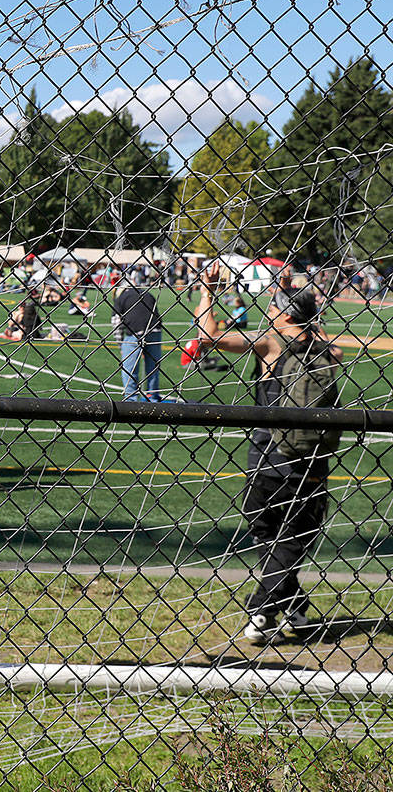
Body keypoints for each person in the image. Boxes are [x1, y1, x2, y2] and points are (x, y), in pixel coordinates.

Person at [194, 264, 342, 644]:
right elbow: (322, 337)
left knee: (271, 534)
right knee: (291, 537)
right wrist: (302, 307)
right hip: (310, 461)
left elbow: (207, 335)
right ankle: (295, 608)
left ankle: (261, 611)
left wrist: (207, 292)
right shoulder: (326, 347)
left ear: (285, 312)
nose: (268, 311)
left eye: (273, 306)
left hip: (265, 456)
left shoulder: (270, 342)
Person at [112, 273, 164, 402]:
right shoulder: (147, 293)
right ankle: (152, 395)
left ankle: (131, 397)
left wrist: (121, 345)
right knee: (153, 366)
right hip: (155, 330)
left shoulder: (121, 298)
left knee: (129, 367)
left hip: (134, 332)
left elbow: (116, 323)